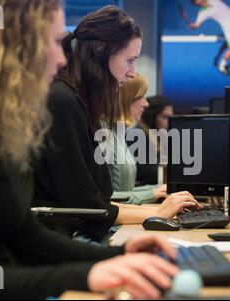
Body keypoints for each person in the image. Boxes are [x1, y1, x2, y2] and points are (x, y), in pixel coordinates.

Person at [0, 0, 179, 300]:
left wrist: (119, 254)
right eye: (52, 42)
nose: (62, 58)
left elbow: (27, 236)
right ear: (12, 46)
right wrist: (87, 275)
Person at [33, 6, 202, 241]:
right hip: (66, 240)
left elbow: (98, 201)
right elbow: (87, 208)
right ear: (102, 53)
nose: (133, 73)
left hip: (78, 233)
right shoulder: (62, 100)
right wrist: (156, 212)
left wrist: (158, 211)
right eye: (130, 60)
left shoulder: (81, 103)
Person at [103, 74, 168, 205]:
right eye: (139, 97)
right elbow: (106, 200)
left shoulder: (117, 133)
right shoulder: (103, 135)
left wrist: (158, 190)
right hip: (114, 224)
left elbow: (126, 191)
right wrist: (151, 193)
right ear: (122, 100)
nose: (146, 104)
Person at [130, 95, 175, 186]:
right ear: (151, 117)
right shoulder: (137, 135)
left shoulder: (161, 136)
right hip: (142, 191)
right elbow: (148, 174)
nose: (169, 122)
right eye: (165, 117)